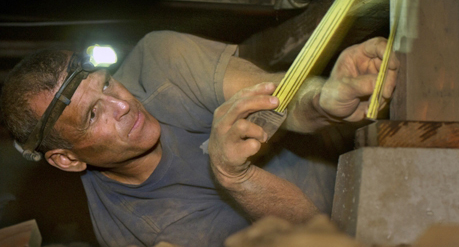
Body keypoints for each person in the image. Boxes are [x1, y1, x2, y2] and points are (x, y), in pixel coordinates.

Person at [0, 31, 398, 246]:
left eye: (107, 85)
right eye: (92, 114)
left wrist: (325, 99)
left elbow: (278, 95)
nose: (122, 105)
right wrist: (234, 176)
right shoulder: (138, 233)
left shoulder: (162, 60)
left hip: (366, 160)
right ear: (67, 159)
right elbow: (312, 236)